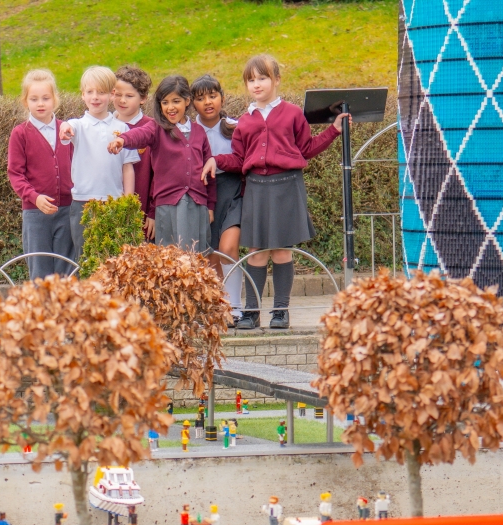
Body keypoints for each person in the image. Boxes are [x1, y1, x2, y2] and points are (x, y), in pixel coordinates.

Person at [203, 54, 350, 330]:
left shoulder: (293, 113)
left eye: (262, 78)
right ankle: (252, 311)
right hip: (256, 189)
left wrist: (333, 131)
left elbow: (306, 149)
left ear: (276, 80)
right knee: (256, 252)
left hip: (287, 187)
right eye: (251, 80)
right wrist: (216, 160)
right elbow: (238, 159)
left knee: (282, 251)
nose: (256, 84)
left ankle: (281, 311)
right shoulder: (244, 121)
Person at [109, 75, 215, 253]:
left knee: (195, 259)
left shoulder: (199, 132)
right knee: (170, 260)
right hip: (168, 205)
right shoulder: (157, 128)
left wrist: (210, 206)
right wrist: (122, 140)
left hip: (197, 205)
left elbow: (209, 172)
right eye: (165, 102)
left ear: (187, 101)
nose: (170, 107)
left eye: (176, 101)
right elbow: (140, 134)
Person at [59, 66, 139, 262]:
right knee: (85, 258)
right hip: (83, 202)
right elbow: (66, 127)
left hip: (114, 202)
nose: (95, 97)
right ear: (83, 95)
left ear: (112, 95)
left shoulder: (122, 129)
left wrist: (127, 202)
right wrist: (64, 127)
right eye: (90, 92)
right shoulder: (78, 125)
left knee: (113, 259)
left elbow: (127, 168)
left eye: (101, 92)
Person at [6, 68, 75, 279]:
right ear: (25, 101)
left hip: (67, 209)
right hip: (36, 213)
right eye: (34, 99)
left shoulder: (68, 129)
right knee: (39, 270)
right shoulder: (20, 134)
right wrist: (34, 198)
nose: (40, 103)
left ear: (55, 99)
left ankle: (65, 311)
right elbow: (15, 174)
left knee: (67, 270)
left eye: (46, 98)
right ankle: (42, 312)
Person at [192, 74, 244, 326]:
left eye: (213, 96)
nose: (208, 103)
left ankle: (235, 306)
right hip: (203, 194)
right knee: (210, 254)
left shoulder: (236, 127)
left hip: (233, 193)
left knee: (228, 248)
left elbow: (244, 161)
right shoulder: (189, 131)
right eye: (200, 99)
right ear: (193, 103)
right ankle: (217, 306)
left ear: (222, 97)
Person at [113, 65, 156, 241]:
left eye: (129, 96)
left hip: (143, 213)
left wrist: (153, 212)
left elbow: (159, 175)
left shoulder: (152, 128)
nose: (122, 100)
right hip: (110, 212)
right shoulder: (105, 126)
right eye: (117, 94)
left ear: (143, 98)